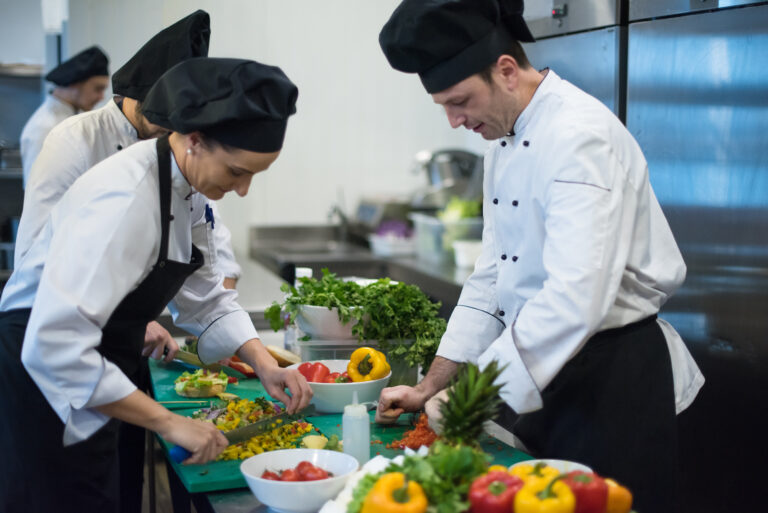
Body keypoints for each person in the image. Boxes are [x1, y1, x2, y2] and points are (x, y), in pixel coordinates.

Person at [375, 1, 704, 512]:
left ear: (506, 70)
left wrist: (468, 399)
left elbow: (574, 299)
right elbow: (491, 277)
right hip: (546, 372)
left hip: (612, 382)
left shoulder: (579, 137)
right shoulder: (503, 138)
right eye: (443, 105)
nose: (454, 120)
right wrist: (431, 384)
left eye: (459, 100)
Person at [0, 56, 311, 513]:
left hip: (101, 364)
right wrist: (169, 422)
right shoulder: (124, 199)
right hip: (47, 384)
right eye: (237, 172)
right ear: (196, 141)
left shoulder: (186, 187)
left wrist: (265, 364)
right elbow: (55, 346)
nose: (242, 189)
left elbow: (207, 299)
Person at [12, 12, 236, 512]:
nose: (173, 136)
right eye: (165, 122)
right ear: (134, 97)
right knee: (58, 492)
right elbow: (41, 259)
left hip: (114, 345)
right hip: (47, 338)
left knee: (117, 483)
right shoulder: (75, 140)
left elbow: (197, 268)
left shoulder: (178, 158)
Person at [20, 45, 109, 186]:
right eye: (98, 89)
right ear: (74, 84)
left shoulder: (73, 118)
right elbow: (38, 191)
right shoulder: (45, 127)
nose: (101, 97)